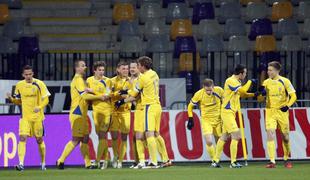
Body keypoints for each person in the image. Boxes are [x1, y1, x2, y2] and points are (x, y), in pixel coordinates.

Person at [116, 56, 172, 168]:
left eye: (138, 66)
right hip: (157, 105)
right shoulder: (154, 74)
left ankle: (153, 161)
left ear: (142, 66)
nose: (137, 68)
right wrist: (127, 90)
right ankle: (165, 159)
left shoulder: (143, 78)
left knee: (149, 134)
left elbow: (133, 95)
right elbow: (140, 89)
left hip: (148, 106)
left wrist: (121, 101)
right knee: (156, 133)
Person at [56, 59, 106, 169]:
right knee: (76, 139)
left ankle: (88, 164)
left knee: (85, 138)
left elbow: (85, 95)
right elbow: (84, 96)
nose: (85, 67)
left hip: (82, 113)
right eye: (83, 66)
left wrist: (92, 91)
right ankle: (60, 160)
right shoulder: (78, 79)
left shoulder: (81, 80)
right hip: (77, 112)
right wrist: (99, 97)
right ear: (77, 68)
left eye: (85, 65)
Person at [7, 65, 50, 171]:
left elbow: (46, 100)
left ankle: (43, 162)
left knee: (39, 140)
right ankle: (21, 164)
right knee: (22, 138)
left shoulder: (39, 84)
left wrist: (39, 107)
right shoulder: (19, 85)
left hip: (37, 118)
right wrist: (11, 99)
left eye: (30, 74)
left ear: (33, 74)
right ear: (23, 75)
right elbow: (19, 101)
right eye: (26, 74)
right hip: (25, 117)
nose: (28, 76)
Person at [213, 64, 257, 168]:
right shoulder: (231, 80)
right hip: (227, 112)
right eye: (245, 73)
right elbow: (242, 91)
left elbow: (242, 94)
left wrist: (254, 94)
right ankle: (233, 162)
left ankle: (215, 161)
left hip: (230, 112)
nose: (246, 75)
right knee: (236, 136)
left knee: (224, 137)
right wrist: (250, 82)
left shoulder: (237, 82)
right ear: (241, 73)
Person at [260, 61, 297, 168]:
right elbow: (260, 99)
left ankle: (286, 159)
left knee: (285, 137)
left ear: (277, 70)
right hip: (270, 111)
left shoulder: (285, 81)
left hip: (282, 112)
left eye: (270, 70)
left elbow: (293, 96)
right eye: (268, 70)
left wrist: (288, 105)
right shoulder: (266, 82)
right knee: (270, 133)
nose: (268, 72)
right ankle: (272, 161)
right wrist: (261, 95)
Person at [187, 78, 223, 167]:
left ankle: (216, 160)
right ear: (203, 87)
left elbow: (226, 102)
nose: (209, 92)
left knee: (220, 140)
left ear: (213, 87)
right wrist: (190, 118)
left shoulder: (219, 91)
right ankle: (214, 161)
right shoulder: (199, 94)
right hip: (206, 120)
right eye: (207, 90)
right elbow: (190, 106)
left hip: (218, 120)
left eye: (210, 90)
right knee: (209, 141)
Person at [86, 61, 112, 169]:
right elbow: (86, 95)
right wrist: (92, 93)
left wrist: (93, 91)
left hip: (106, 111)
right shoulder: (89, 80)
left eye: (103, 70)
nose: (101, 72)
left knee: (102, 134)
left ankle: (97, 161)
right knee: (100, 136)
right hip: (96, 112)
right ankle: (106, 159)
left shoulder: (107, 81)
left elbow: (106, 96)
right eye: (99, 70)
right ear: (94, 70)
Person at [110, 61, 131, 168]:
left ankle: (120, 161)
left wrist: (122, 95)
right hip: (114, 112)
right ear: (118, 70)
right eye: (123, 69)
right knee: (114, 136)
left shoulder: (131, 81)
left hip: (125, 112)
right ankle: (115, 156)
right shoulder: (112, 81)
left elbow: (132, 95)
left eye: (127, 69)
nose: (126, 71)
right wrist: (119, 94)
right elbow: (109, 95)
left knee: (124, 137)